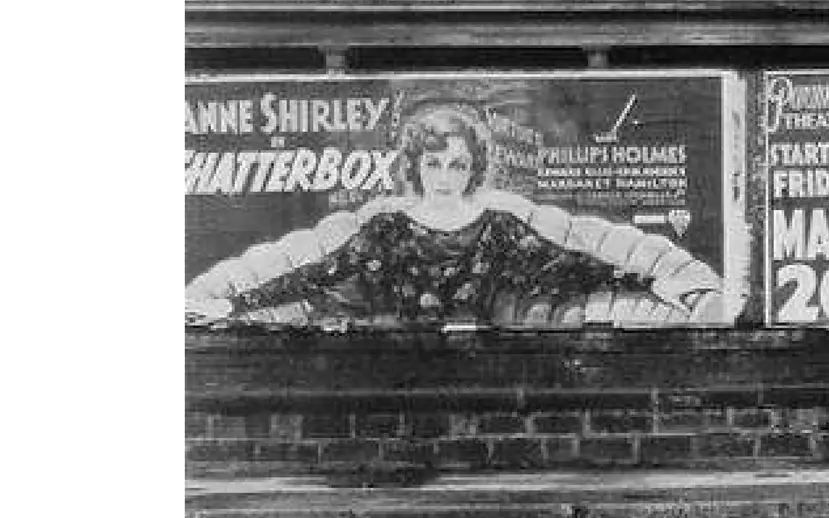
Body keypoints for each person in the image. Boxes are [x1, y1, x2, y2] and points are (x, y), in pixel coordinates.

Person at [184, 103, 724, 326]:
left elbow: (572, 265)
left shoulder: (499, 227)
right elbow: (316, 274)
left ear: (474, 168)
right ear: (416, 166)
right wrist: (232, 303)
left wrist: (660, 281)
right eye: (435, 162)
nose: (446, 175)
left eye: (459, 164)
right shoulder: (387, 228)